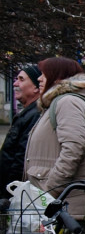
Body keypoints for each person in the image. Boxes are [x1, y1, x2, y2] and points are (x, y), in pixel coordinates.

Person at [24, 57, 85, 234]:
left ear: (57, 77)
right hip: (64, 205)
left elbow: (74, 147)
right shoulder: (62, 102)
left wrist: (49, 192)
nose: (39, 78)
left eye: (43, 73)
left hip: (68, 207)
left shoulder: (68, 101)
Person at [0, 64, 42, 200]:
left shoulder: (35, 114)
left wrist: (8, 193)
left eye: (21, 79)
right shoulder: (28, 113)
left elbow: (21, 157)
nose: (15, 83)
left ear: (36, 87)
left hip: (14, 191)